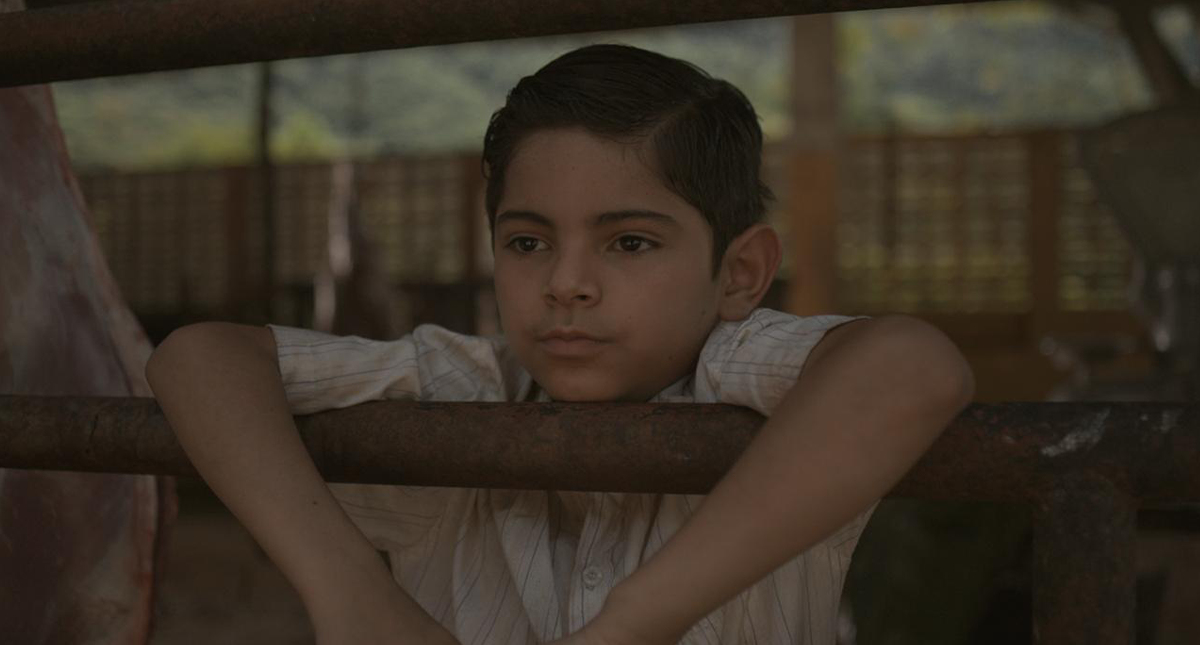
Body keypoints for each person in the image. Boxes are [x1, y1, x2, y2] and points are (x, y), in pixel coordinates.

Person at [146, 44, 974, 645]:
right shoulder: (466, 385)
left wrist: (633, 622)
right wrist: (353, 596)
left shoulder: (738, 369)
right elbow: (197, 359)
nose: (566, 283)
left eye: (630, 243)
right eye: (528, 242)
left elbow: (914, 366)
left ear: (739, 273)